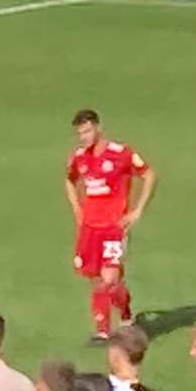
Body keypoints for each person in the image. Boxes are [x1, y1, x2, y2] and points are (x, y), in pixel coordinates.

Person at [65, 110, 155, 344]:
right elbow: (69, 179)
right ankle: (102, 330)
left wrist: (138, 210)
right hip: (89, 229)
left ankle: (124, 314)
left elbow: (148, 175)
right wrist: (77, 209)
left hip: (114, 227)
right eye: (80, 133)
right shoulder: (79, 157)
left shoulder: (120, 153)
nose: (84, 137)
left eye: (87, 131)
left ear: (98, 128)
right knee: (96, 279)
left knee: (110, 279)